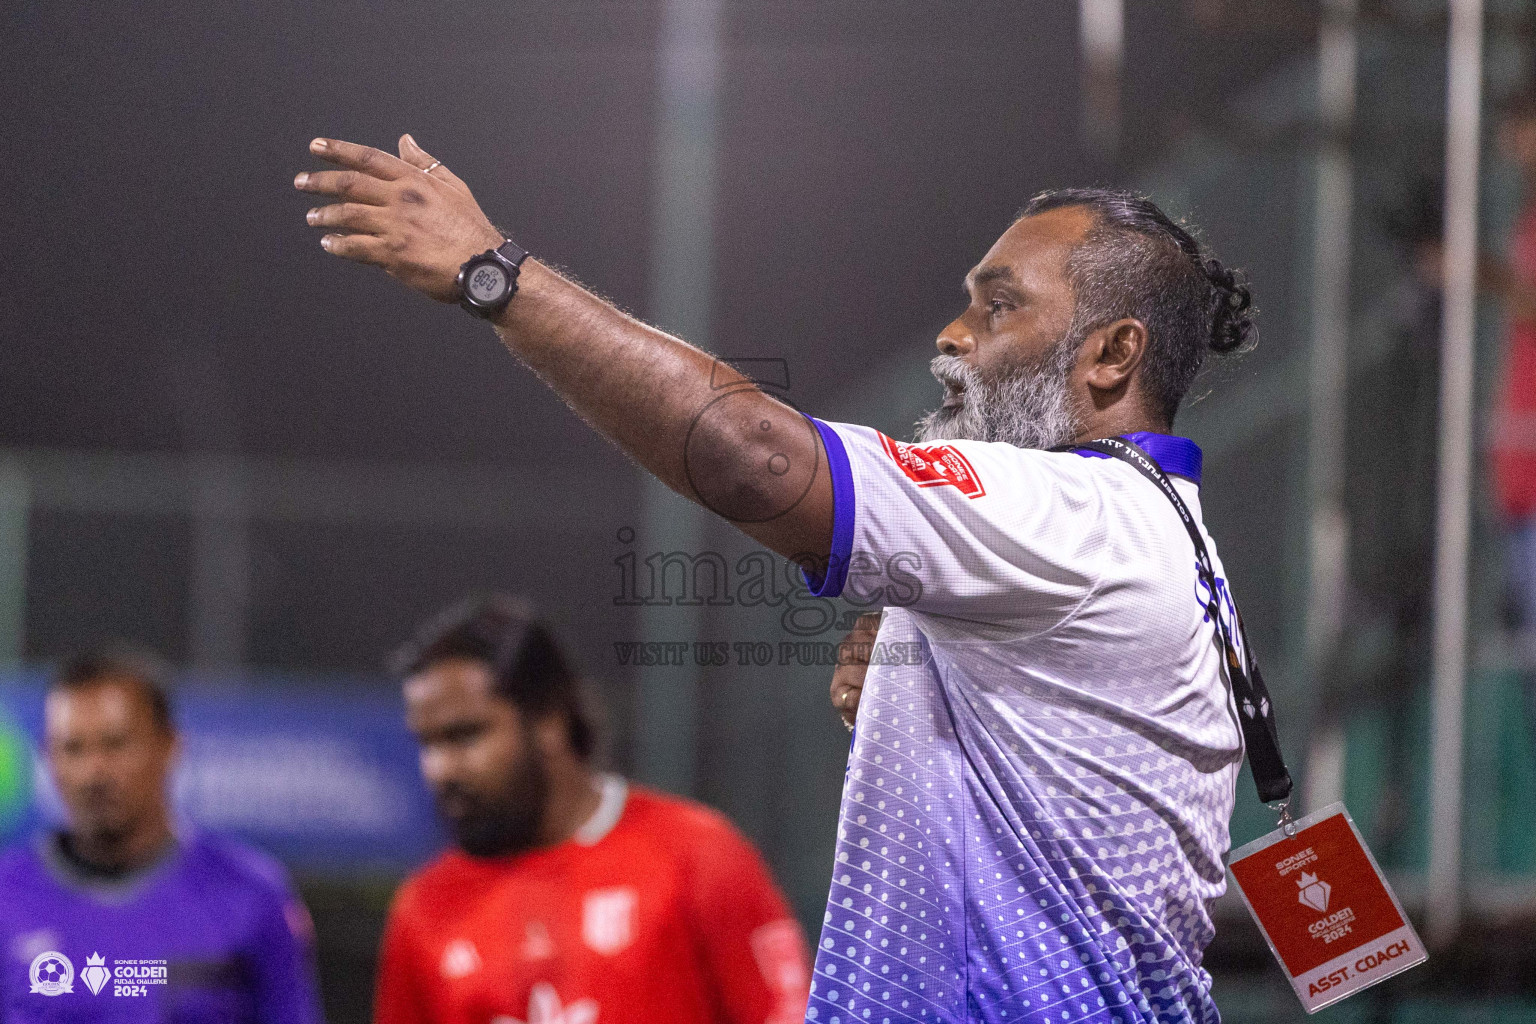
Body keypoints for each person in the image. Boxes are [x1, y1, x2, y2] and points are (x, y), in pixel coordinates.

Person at [296, 133, 1270, 1022]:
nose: (954, 332)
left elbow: (755, 459)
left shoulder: (1071, 512)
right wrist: (928, 688)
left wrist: (494, 276)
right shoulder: (1162, 536)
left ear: (1111, 355)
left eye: (999, 303)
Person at [376, 594, 810, 1024]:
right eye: (427, 743)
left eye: (464, 736)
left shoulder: (696, 854)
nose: (440, 769)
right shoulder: (425, 906)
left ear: (549, 720)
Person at [0, 652, 323, 1023]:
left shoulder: (251, 895)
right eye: (72, 748)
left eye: (115, 744)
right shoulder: (6, 895)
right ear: (47, 757)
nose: (93, 773)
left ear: (169, 745)